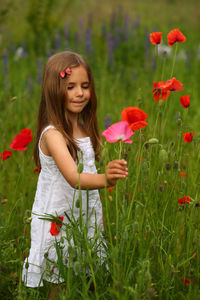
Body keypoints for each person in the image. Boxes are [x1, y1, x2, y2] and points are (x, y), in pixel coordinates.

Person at [22, 51, 128, 297]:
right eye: (70, 87)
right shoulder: (53, 134)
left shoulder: (82, 128)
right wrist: (107, 179)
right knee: (59, 277)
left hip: (83, 215)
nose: (80, 93)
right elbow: (74, 177)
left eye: (85, 86)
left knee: (89, 271)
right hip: (59, 217)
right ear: (54, 90)